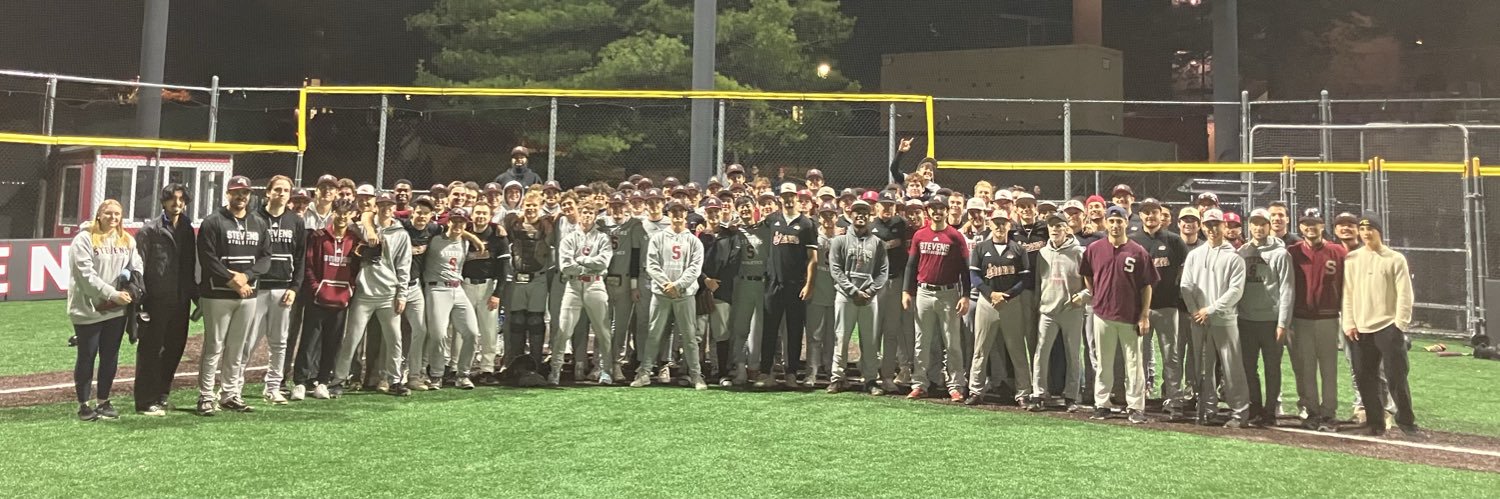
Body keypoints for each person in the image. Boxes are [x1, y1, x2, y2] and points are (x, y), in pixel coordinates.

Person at [196, 175, 271, 416]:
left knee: (237, 347)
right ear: (228, 193)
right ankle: (206, 396)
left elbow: (266, 258)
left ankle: (230, 394)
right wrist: (232, 280)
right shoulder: (213, 221)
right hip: (217, 294)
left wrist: (246, 277)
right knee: (214, 346)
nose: (241, 196)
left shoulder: (258, 222)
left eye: (245, 192)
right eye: (237, 191)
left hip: (248, 294)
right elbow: (207, 258)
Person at [1342, 214, 1419, 437]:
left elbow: (1405, 294)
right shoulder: (1352, 259)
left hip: (1387, 326)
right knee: (1364, 377)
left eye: (1370, 229)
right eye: (1362, 230)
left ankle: (1406, 421)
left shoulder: (1395, 259)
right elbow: (1348, 293)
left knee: (1396, 377)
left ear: (1379, 232)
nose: (1366, 234)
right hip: (1360, 329)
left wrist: (1399, 324)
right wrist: (1349, 322)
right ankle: (1374, 422)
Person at [67, 199, 143, 421]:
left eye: (117, 214)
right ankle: (83, 404)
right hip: (87, 308)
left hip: (116, 308)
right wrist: (112, 294)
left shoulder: (126, 239)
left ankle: (103, 400)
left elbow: (136, 265)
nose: (113, 217)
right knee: (87, 355)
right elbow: (85, 275)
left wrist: (130, 285)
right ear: (98, 215)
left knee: (110, 355)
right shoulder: (84, 239)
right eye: (108, 213)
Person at [1081, 206, 1157, 424]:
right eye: (1112, 221)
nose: (1115, 225)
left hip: (1129, 315)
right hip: (1102, 313)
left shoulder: (1137, 251)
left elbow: (1147, 285)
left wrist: (1144, 315)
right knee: (1103, 362)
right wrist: (1096, 295)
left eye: (1119, 221)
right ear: (1106, 223)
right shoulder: (1094, 249)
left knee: (1134, 363)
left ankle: (1135, 406)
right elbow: (1087, 274)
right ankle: (1102, 404)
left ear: (1126, 222)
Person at [1179, 208, 1252, 428]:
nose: (1212, 229)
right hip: (1199, 320)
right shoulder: (1195, 255)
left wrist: (1209, 310)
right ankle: (1207, 409)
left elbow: (1235, 291)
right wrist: (1195, 310)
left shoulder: (1234, 257)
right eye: (1208, 225)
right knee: (1203, 367)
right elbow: (1185, 285)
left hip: (1224, 320)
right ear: (1203, 226)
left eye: (1216, 224)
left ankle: (1240, 412)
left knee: (1232, 368)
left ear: (1223, 226)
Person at [334, 193, 412, 396]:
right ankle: (338, 380)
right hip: (364, 293)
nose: (386, 208)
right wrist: (369, 227)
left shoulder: (401, 234)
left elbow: (404, 266)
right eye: (382, 204)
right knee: (352, 338)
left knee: (394, 339)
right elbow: (352, 221)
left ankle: (395, 380)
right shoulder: (363, 226)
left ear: (394, 207)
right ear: (376, 207)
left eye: (389, 205)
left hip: (388, 293)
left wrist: (402, 294)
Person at [242, 175, 305, 406]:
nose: (281, 193)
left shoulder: (295, 221)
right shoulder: (254, 217)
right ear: (268, 192)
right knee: (248, 341)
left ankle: (273, 387)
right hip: (258, 289)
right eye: (277, 189)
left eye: (286, 190)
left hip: (283, 289)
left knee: (279, 343)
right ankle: (233, 387)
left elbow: (300, 258)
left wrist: (295, 287)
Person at [134, 184, 196, 417]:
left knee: (175, 348)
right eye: (172, 199)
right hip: (155, 302)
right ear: (163, 202)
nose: (177, 203)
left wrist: (194, 295)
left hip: (181, 301)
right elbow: (138, 268)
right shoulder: (149, 231)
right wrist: (140, 302)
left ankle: (162, 395)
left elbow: (189, 265)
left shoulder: (187, 228)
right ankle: (145, 401)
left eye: (181, 199)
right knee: (151, 351)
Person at [903, 195, 972, 401]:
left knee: (952, 342)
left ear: (946, 210)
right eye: (933, 208)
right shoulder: (920, 235)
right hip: (924, 292)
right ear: (928, 211)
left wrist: (965, 295)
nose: (937, 212)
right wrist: (906, 291)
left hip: (948, 293)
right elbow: (911, 265)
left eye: (941, 208)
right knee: (921, 341)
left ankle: (955, 385)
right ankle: (919, 383)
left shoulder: (955, 236)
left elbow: (965, 269)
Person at [1127, 198, 1190, 417]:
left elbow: (1185, 269)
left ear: (1160, 214)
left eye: (1154, 212)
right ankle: (1140, 398)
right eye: (1146, 212)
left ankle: (1173, 399)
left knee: (1171, 355)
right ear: (1141, 215)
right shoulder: (1133, 241)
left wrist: (1177, 291)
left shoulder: (1174, 240)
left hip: (1167, 306)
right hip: (1141, 309)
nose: (1150, 216)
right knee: (1140, 356)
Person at [634, 201, 707, 389]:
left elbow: (695, 268)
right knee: (654, 334)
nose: (678, 215)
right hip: (661, 294)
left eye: (681, 211)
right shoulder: (658, 238)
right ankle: (645, 373)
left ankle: (696, 375)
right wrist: (667, 284)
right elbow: (652, 265)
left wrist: (678, 285)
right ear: (668, 214)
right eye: (674, 211)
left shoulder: (694, 241)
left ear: (686, 214)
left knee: (689, 336)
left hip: (684, 294)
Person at [753, 183, 819, 389]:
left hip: (796, 284)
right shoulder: (772, 220)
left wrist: (809, 284)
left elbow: (813, 258)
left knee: (794, 330)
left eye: (791, 196)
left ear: (797, 198)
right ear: (780, 198)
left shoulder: (806, 224)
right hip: (773, 283)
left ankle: (791, 373)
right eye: (785, 196)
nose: (788, 199)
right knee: (769, 329)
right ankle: (766, 371)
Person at [1287, 211, 1347, 432]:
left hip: (1328, 318)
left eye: (1315, 223)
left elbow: (1346, 285)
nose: (1310, 227)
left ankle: (1329, 412)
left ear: (1322, 226)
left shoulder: (1338, 252)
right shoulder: (1293, 252)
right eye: (1306, 223)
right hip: (1301, 318)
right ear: (1300, 227)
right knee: (1307, 368)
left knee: (1329, 369)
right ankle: (1312, 410)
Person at [967, 208, 1033, 407]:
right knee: (980, 348)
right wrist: (991, 294)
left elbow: (1025, 278)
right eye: (996, 222)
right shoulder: (981, 248)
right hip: (987, 302)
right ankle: (975, 390)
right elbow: (975, 277)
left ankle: (1023, 393)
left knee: (1017, 349)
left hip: (1011, 303)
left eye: (1003, 222)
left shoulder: (1018, 249)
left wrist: (1007, 295)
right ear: (990, 224)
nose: (1000, 226)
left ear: (1009, 225)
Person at [296, 199, 361, 400]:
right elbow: (308, 265)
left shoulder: (355, 240)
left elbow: (356, 268)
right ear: (333, 214)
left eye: (346, 214)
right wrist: (316, 288)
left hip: (341, 299)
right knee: (309, 340)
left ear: (351, 216)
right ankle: (300, 382)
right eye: (338, 213)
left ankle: (323, 381)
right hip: (318, 298)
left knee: (333, 342)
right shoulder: (319, 237)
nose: (342, 217)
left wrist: (350, 289)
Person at [1237, 208, 1294, 427]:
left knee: (1272, 368)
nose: (1258, 228)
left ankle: (1270, 411)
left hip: (1271, 320)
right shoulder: (1242, 252)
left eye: (1263, 224)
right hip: (1246, 319)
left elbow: (1287, 289)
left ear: (1269, 226)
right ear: (1249, 225)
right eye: (1255, 223)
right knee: (1248, 368)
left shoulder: (1280, 254)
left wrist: (1283, 322)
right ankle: (1255, 407)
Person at [827, 199, 888, 394]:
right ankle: (837, 377)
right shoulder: (839, 241)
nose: (860, 215)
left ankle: (870, 379)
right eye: (857, 211)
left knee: (870, 341)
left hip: (869, 298)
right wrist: (853, 291)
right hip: (846, 296)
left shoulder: (877, 243)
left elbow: (883, 272)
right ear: (850, 214)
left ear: (870, 216)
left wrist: (870, 291)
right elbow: (835, 270)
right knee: (841, 338)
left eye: (865, 212)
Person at [1031, 212, 1089, 411]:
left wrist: (1083, 295)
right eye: (1051, 226)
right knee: (1041, 352)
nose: (1054, 229)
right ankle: (1038, 393)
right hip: (1047, 310)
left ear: (1066, 229)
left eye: (1058, 226)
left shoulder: (1079, 251)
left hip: (1071, 309)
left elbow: (1090, 282)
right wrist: (1037, 304)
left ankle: (1071, 395)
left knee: (1073, 354)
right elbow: (1039, 282)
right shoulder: (1043, 252)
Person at [553, 200, 614, 385]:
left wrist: (580, 259)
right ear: (579, 214)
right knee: (563, 330)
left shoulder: (602, 238)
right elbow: (565, 266)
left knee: (603, 331)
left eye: (590, 213)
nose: (587, 216)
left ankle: (606, 371)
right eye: (584, 212)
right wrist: (589, 266)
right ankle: (555, 371)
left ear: (595, 216)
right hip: (573, 286)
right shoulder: (569, 238)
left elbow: (603, 262)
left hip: (595, 285)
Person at [501, 191, 555, 376]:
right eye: (528, 205)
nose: (531, 209)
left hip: (538, 278)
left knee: (535, 320)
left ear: (540, 208)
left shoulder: (546, 226)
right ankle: (515, 362)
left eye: (534, 206)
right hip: (518, 278)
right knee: (516, 320)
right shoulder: (513, 223)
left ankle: (535, 363)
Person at [461, 203, 507, 385]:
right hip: (465, 285)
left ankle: (486, 369)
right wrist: (470, 235)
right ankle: (458, 368)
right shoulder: (463, 232)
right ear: (472, 215)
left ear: (490, 216)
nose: (480, 216)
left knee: (489, 331)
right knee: (462, 329)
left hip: (488, 287)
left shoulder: (498, 236)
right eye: (477, 212)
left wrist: (497, 293)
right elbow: (446, 225)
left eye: (484, 213)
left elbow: (504, 268)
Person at [598, 192, 642, 382]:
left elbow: (635, 255)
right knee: (602, 324)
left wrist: (634, 285)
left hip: (624, 280)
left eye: (620, 206)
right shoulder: (601, 224)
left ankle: (616, 363)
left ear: (626, 207)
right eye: (614, 206)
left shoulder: (633, 225)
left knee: (621, 326)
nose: (617, 209)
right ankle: (602, 365)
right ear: (609, 207)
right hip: (603, 281)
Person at [872, 191, 912, 393]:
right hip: (875, 283)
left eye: (890, 205)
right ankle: (870, 375)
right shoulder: (871, 226)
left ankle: (887, 376)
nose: (887, 208)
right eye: (884, 205)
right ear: (877, 206)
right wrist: (886, 245)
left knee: (891, 332)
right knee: (873, 332)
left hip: (895, 281)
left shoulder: (901, 224)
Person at [803, 201, 841, 385]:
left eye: (831, 215)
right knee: (814, 336)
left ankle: (830, 370)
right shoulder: (814, 237)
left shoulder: (842, 237)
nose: (828, 218)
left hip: (836, 293)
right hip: (817, 290)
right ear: (819, 217)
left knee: (832, 336)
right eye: (824, 215)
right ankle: (811, 372)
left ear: (837, 217)